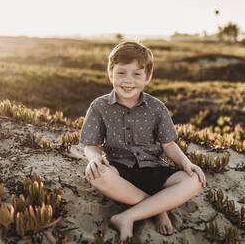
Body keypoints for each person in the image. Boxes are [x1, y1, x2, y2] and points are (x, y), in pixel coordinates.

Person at [79, 41, 206, 243]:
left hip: (153, 169)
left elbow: (169, 145)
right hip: (120, 169)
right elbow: (90, 144)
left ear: (147, 77)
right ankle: (157, 209)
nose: (128, 81)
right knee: (95, 174)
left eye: (136, 74)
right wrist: (94, 159)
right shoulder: (99, 106)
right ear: (110, 73)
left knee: (195, 180)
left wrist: (186, 164)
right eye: (121, 73)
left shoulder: (157, 108)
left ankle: (127, 216)